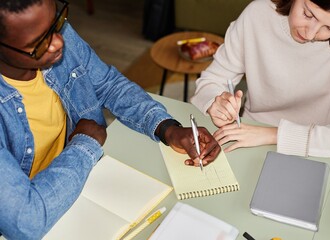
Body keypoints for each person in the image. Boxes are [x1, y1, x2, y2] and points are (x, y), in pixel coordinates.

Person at [0, 0, 221, 238]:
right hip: (41, 211)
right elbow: (26, 222)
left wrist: (166, 128)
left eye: (57, 20)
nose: (58, 41)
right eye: (39, 43)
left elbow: (108, 84)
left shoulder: (52, 37)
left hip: (84, 182)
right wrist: (85, 144)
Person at [191, 0, 330, 157]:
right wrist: (216, 102)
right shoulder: (258, 14)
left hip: (320, 145)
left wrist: (274, 135)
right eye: (308, 15)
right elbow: (212, 79)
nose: (310, 34)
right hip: (248, 131)